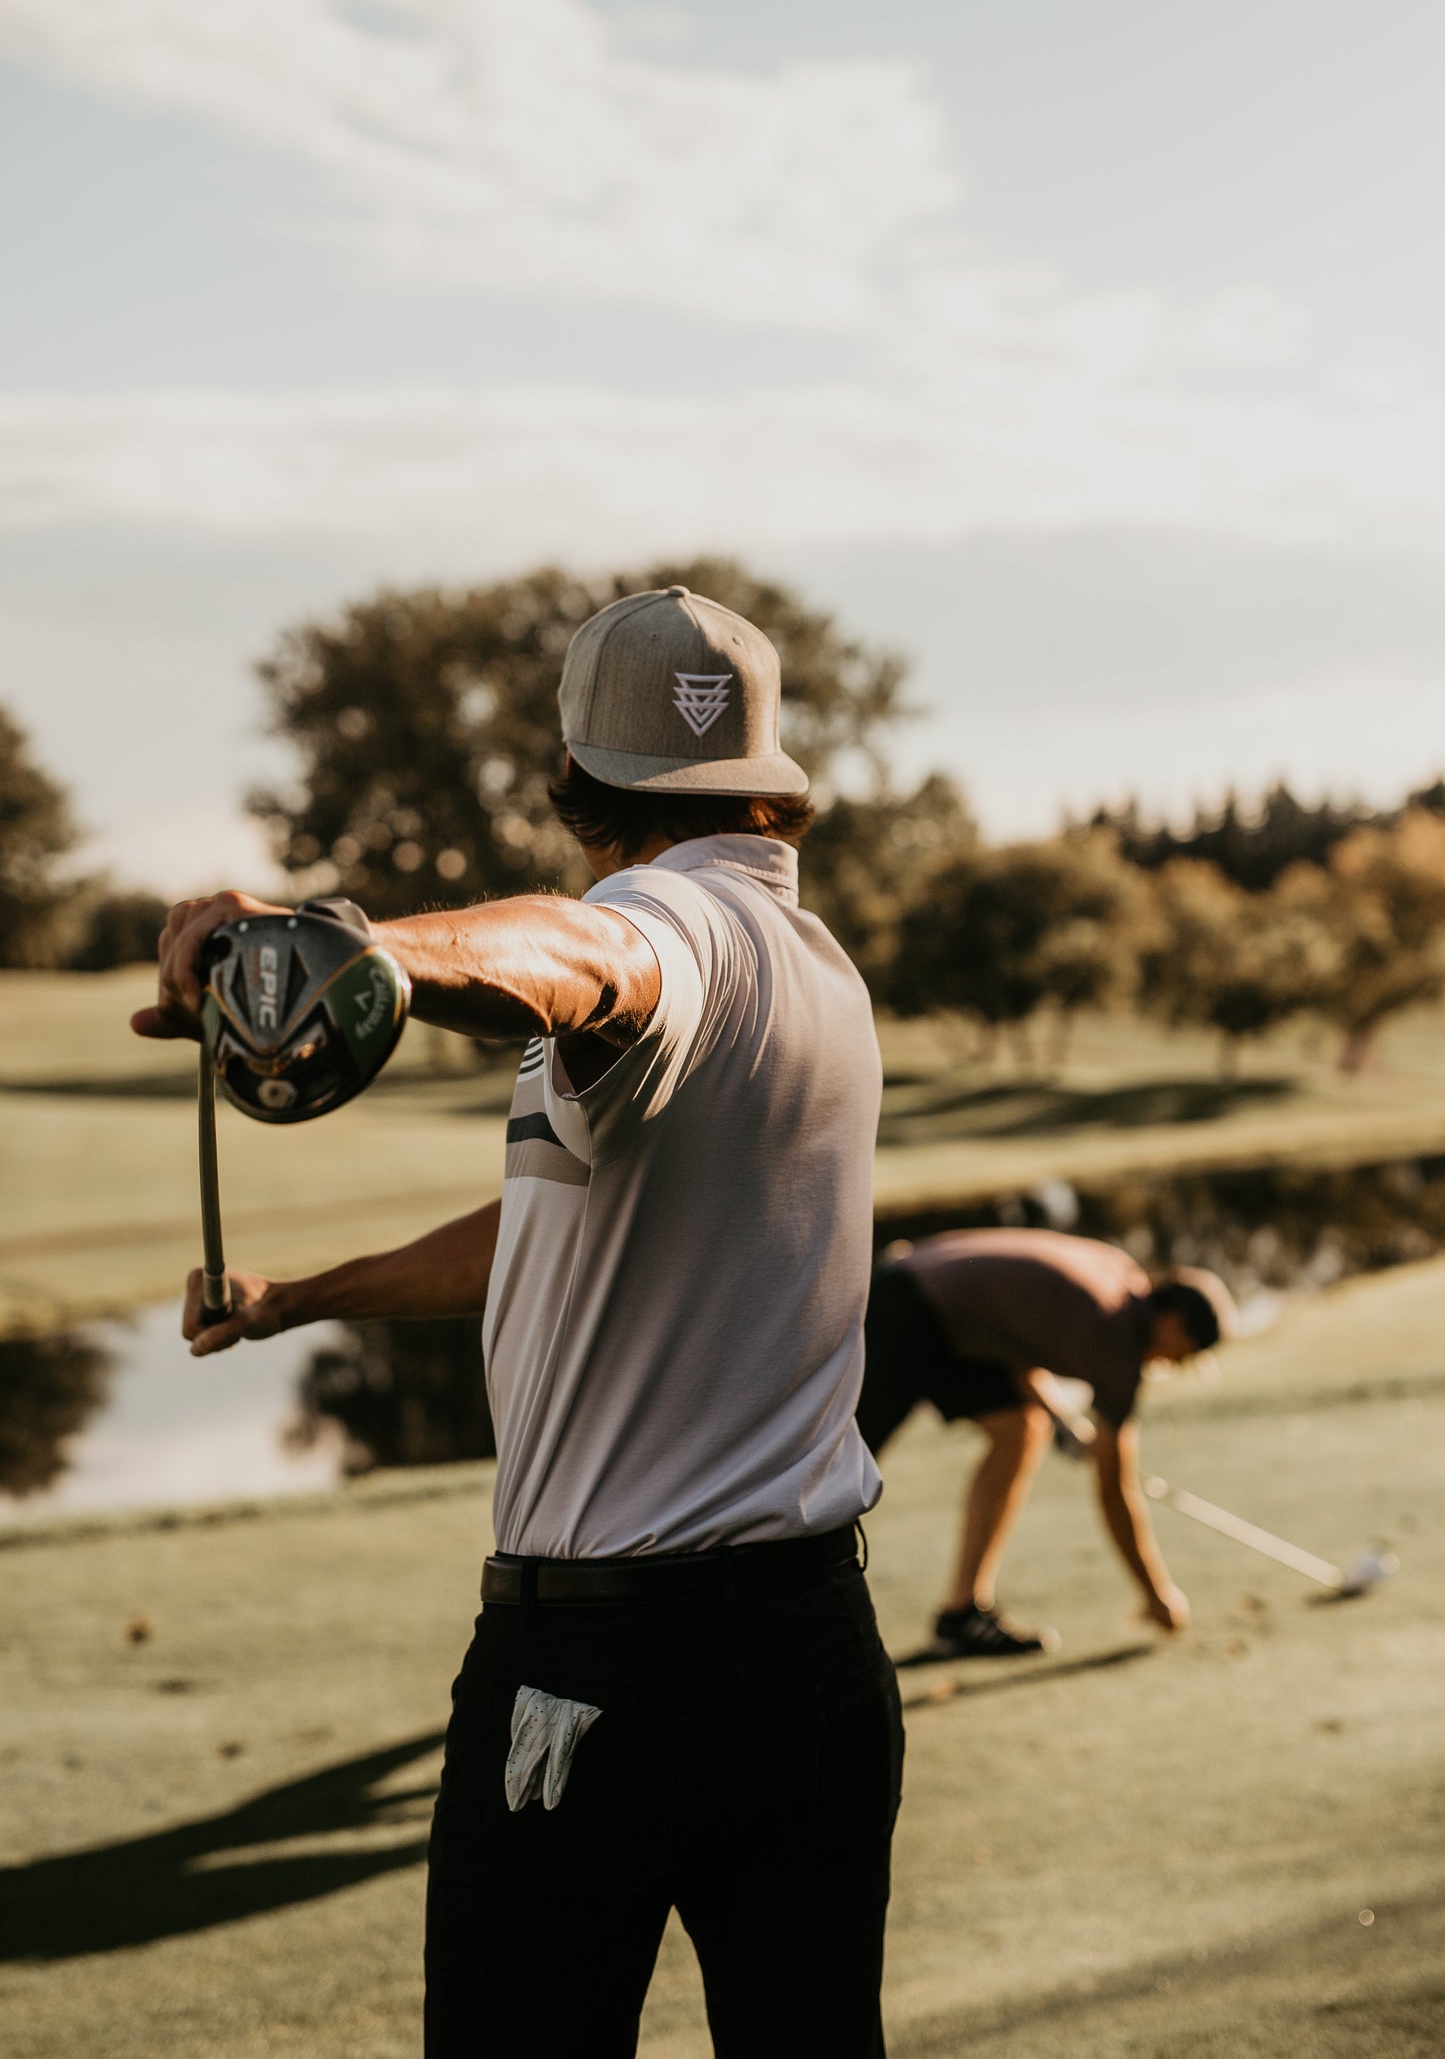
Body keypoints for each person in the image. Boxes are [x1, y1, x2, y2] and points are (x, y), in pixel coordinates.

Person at [135, 585, 903, 2059]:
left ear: (575, 775)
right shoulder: (820, 976)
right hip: (811, 1659)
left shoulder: (659, 923)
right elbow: (546, 1235)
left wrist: (351, 946)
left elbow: (578, 954)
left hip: (602, 1676)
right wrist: (300, 1299)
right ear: (766, 771)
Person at [856, 1227, 1235, 1660]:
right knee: (839, 1467)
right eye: (1185, 1352)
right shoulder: (1119, 1339)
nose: (1176, 1364)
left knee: (1019, 1429)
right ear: (1172, 1322)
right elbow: (1114, 1489)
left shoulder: (1120, 1278)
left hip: (921, 1295)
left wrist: (1061, 1419)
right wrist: (1156, 1593)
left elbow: (1014, 1332)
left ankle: (963, 1614)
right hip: (905, 1308)